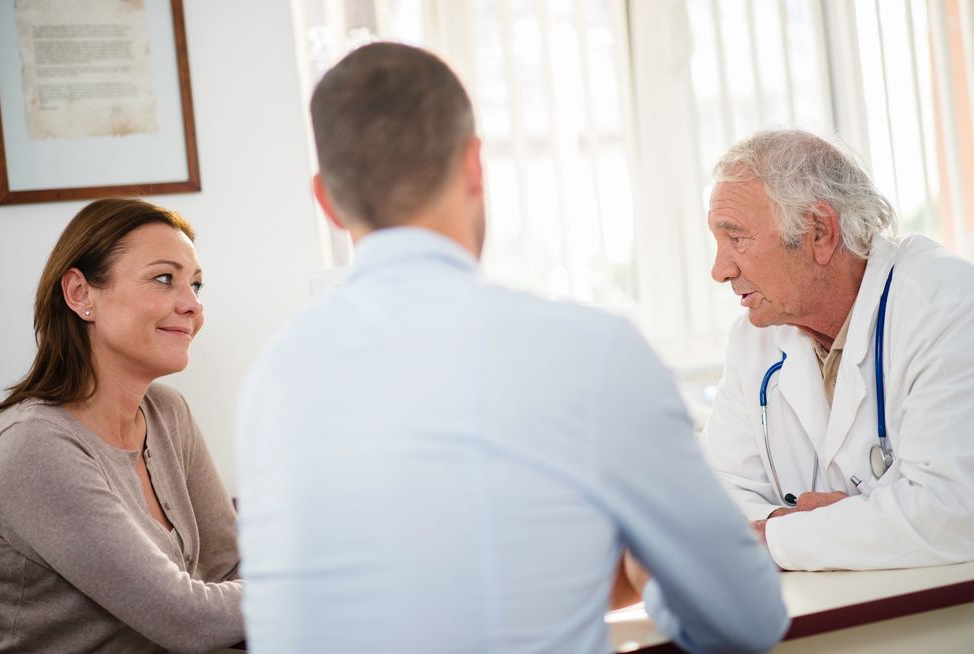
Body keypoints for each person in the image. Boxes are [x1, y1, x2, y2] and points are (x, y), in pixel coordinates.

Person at [236, 42, 787, 654]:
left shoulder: (272, 378)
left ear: (326, 201)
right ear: (475, 165)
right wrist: (648, 574)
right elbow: (749, 618)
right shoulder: (589, 352)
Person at [701, 129, 974, 571]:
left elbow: (950, 510)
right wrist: (795, 528)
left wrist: (780, 540)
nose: (720, 270)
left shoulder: (946, 306)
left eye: (737, 239)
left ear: (819, 231)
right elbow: (714, 487)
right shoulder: (755, 339)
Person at [0, 199, 244, 652]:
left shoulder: (168, 413)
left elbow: (231, 569)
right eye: (164, 278)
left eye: (197, 285)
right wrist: (323, 582)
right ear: (80, 294)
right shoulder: (34, 447)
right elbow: (189, 622)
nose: (192, 305)